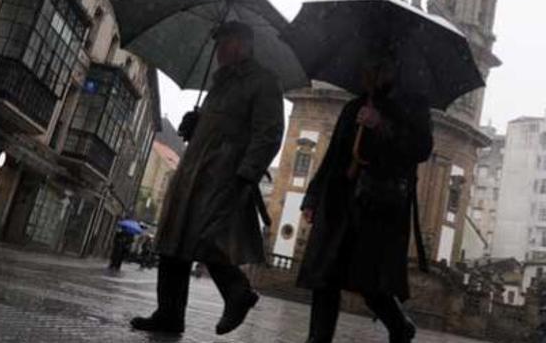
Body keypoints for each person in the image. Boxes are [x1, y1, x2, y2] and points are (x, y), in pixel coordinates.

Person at [130, 21, 285, 336]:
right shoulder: (220, 83)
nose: (219, 51)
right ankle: (169, 313)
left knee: (207, 237)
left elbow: (269, 134)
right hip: (193, 170)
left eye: (225, 43)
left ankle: (237, 292)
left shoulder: (263, 82)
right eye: (218, 45)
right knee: (174, 239)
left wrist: (247, 173)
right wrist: (194, 125)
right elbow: (217, 125)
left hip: (224, 172)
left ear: (243, 44)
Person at [297, 55, 434, 343]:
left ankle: (399, 326)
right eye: (365, 66)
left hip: (378, 205)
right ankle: (317, 340)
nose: (365, 72)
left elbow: (420, 148)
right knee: (326, 275)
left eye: (374, 66)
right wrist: (312, 196)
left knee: (371, 283)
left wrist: (381, 124)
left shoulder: (412, 105)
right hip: (340, 201)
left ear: (390, 69)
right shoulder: (354, 106)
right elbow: (333, 156)